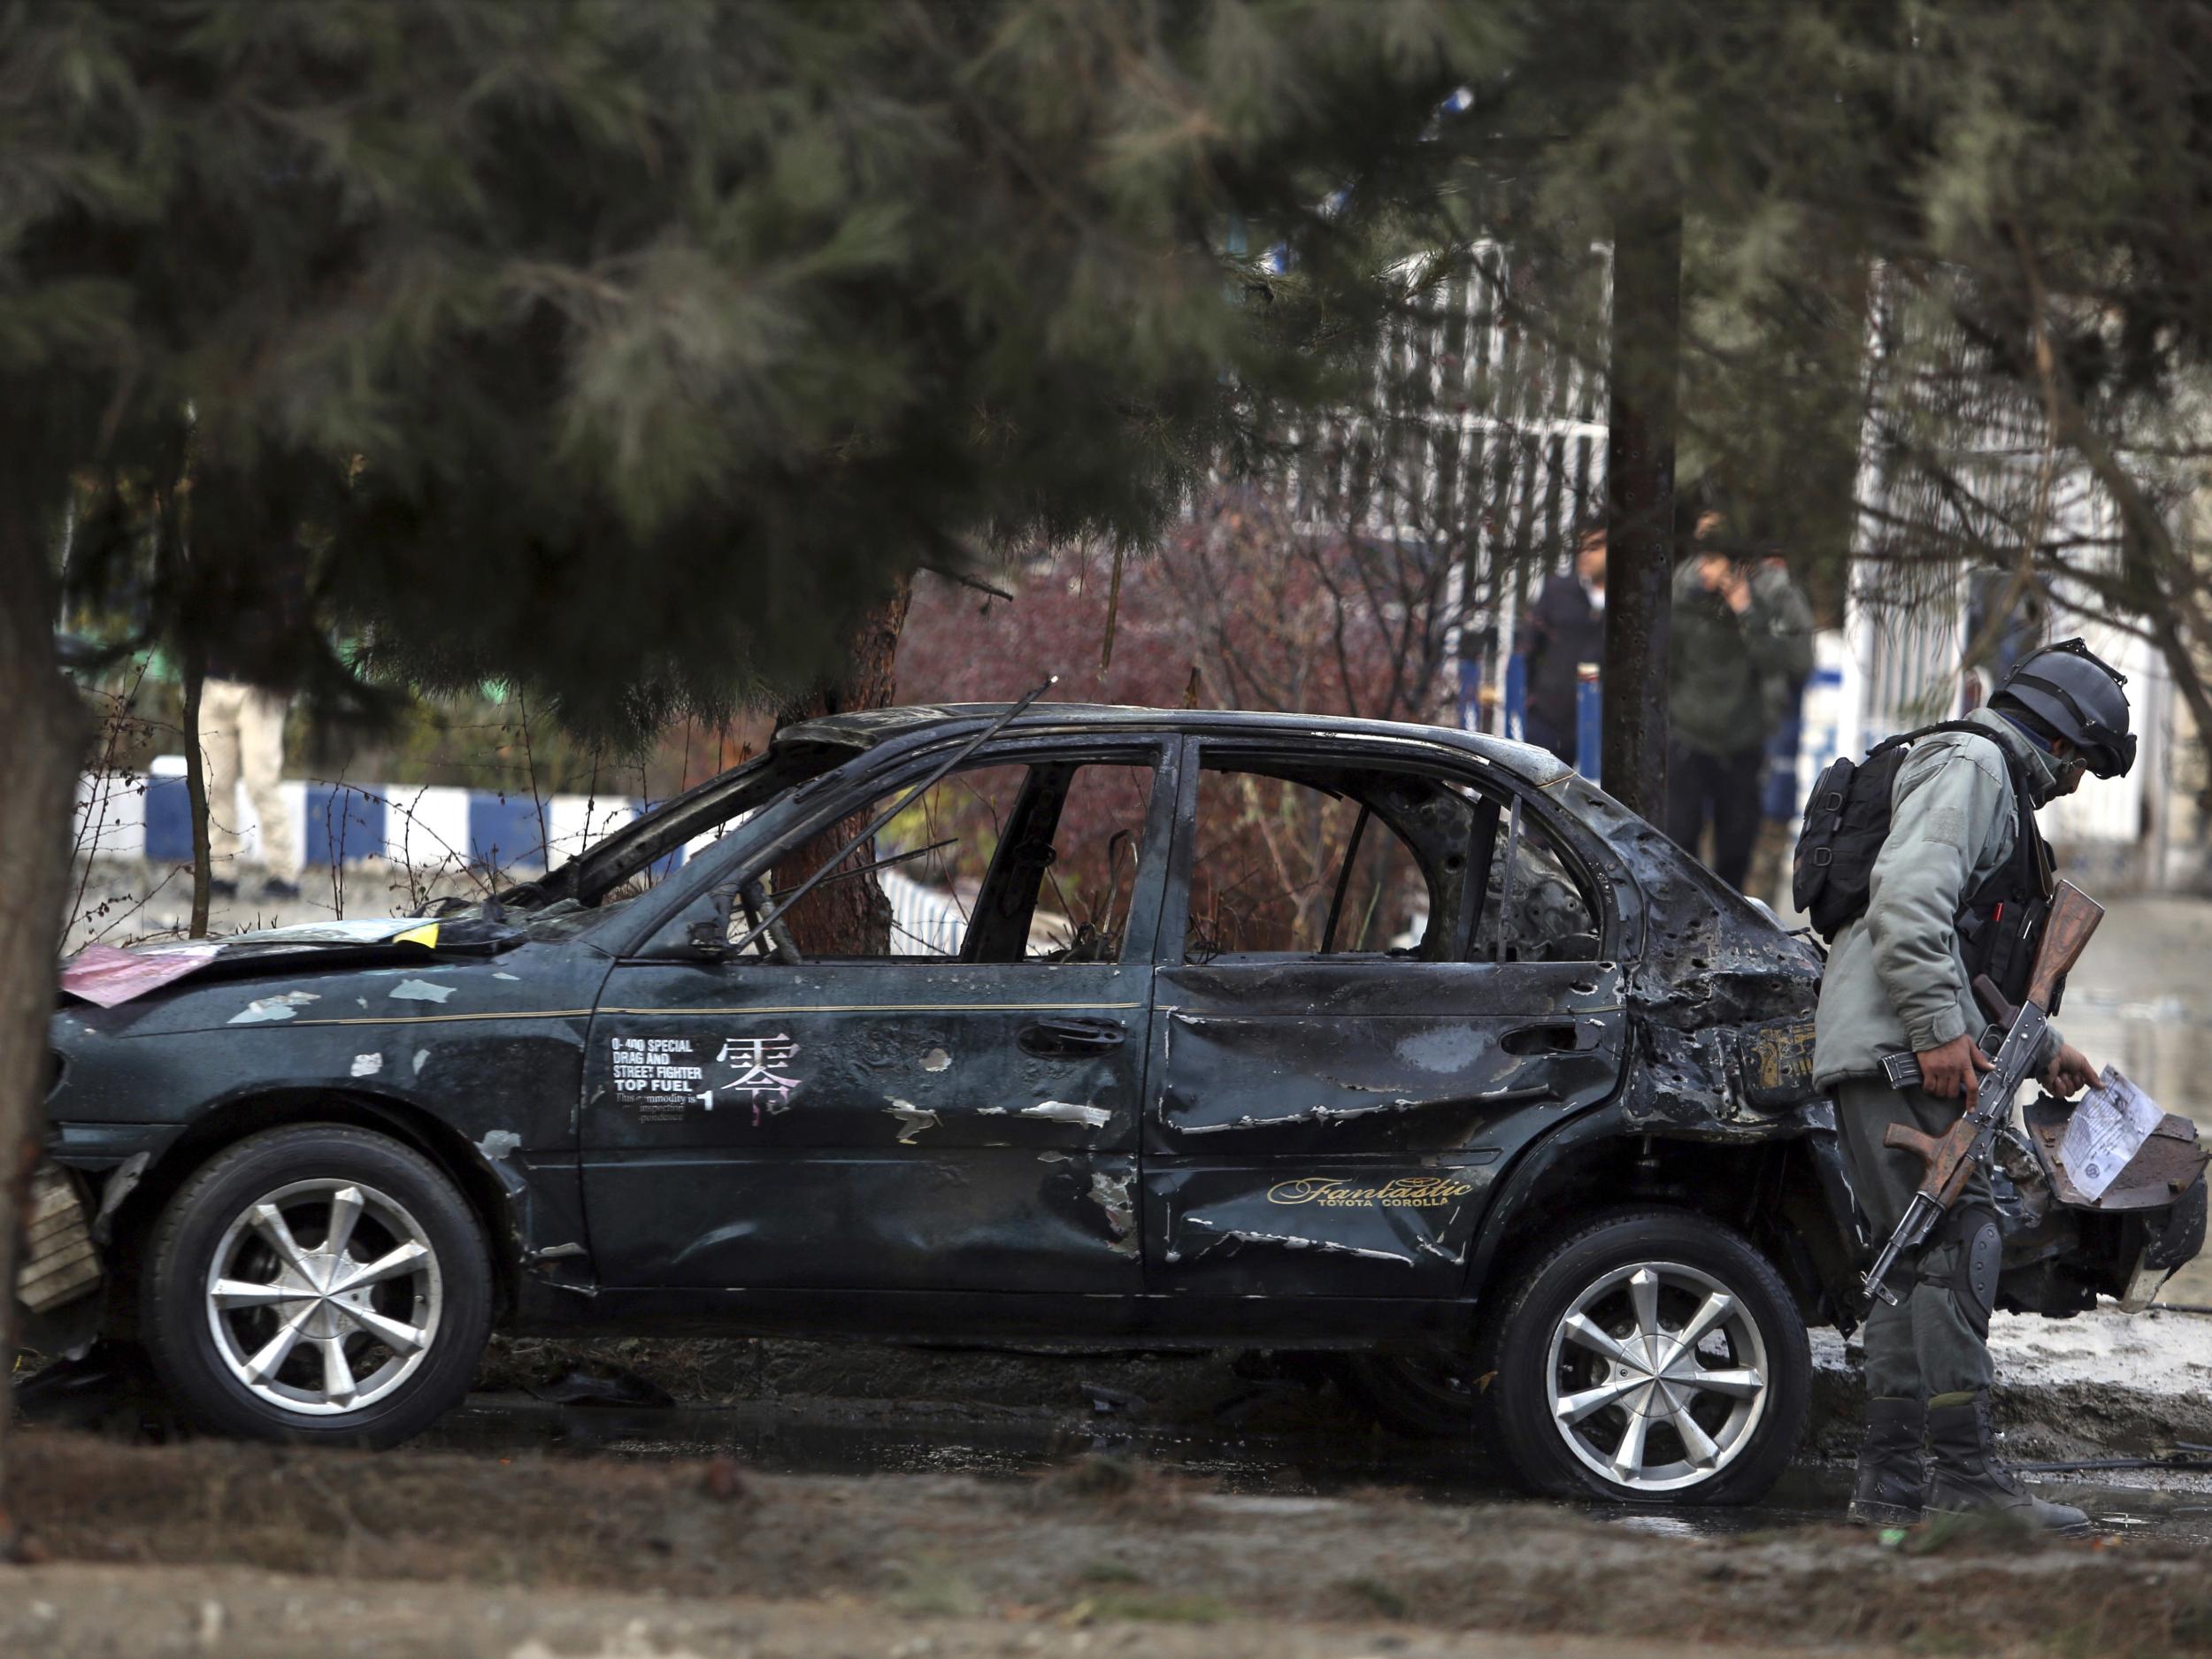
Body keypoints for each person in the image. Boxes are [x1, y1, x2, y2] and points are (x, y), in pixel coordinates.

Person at [1816, 638, 2134, 1534]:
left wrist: (2043, 1051)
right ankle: (1965, 1483)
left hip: (1889, 1044)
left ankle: (1891, 1488)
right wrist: (1936, 1034)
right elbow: (1910, 901)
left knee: (1909, 1263)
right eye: (2083, 768)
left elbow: (1973, 955)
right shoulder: (1974, 766)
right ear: (2066, 739)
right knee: (1960, 1243)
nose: (2074, 788)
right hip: (1899, 1049)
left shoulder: (1976, 769)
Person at [1666, 519, 1812, 889]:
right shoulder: (1683, 593)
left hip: (1743, 740)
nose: (1704, 567)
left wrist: (1746, 610)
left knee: (1736, 847)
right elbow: (1664, 661)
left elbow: (1787, 663)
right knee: (1678, 840)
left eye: (1713, 559)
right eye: (1702, 557)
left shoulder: (1766, 598)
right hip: (1688, 736)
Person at [1515, 527, 1606, 767]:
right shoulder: (1558, 591)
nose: (1585, 555)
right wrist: (1534, 698)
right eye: (1582, 547)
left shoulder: (1627, 603)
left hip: (1598, 724)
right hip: (1549, 717)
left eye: (1595, 548)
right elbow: (1530, 646)